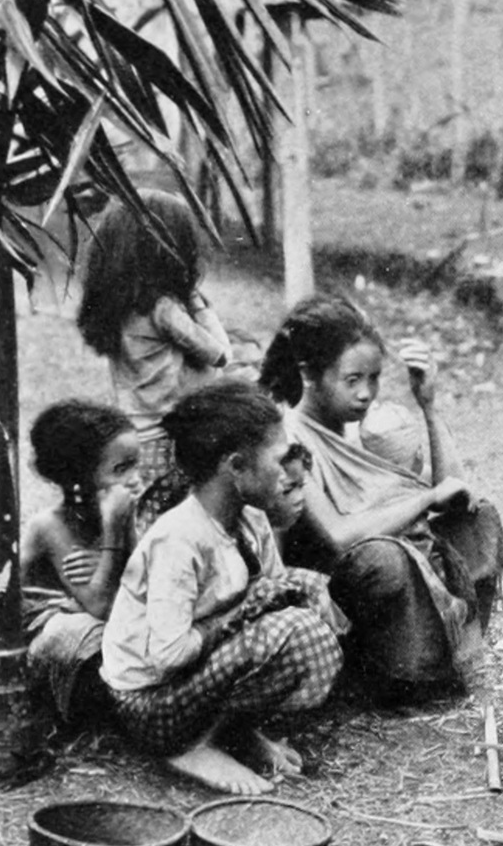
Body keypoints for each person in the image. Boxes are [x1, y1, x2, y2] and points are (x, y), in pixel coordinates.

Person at [260, 295, 503, 704]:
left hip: (389, 560)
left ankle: (455, 654)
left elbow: (453, 492)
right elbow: (338, 536)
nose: (366, 393)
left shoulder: (357, 428)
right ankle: (391, 673)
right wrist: (426, 499)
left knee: (476, 517)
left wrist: (428, 406)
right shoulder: (291, 436)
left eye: (373, 379)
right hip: (334, 580)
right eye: (352, 380)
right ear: (310, 375)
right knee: (386, 557)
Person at [101, 381, 344, 794]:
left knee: (308, 592)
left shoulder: (252, 518)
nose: (286, 471)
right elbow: (167, 656)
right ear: (236, 466)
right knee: (297, 632)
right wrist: (240, 614)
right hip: (149, 703)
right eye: (279, 459)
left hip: (196, 678)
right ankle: (193, 747)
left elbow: (274, 589)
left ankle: (234, 731)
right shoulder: (180, 539)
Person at [74, 189, 230, 524]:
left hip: (134, 434)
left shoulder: (118, 307)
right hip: (170, 436)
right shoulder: (163, 309)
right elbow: (220, 354)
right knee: (178, 522)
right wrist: (196, 301)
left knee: (148, 520)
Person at [21, 400, 142, 730]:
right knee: (91, 633)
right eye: (121, 469)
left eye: (136, 465)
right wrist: (113, 533)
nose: (135, 479)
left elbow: (142, 579)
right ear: (80, 480)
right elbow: (102, 605)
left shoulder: (117, 512)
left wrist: (121, 537)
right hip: (45, 648)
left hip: (94, 625)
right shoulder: (50, 526)